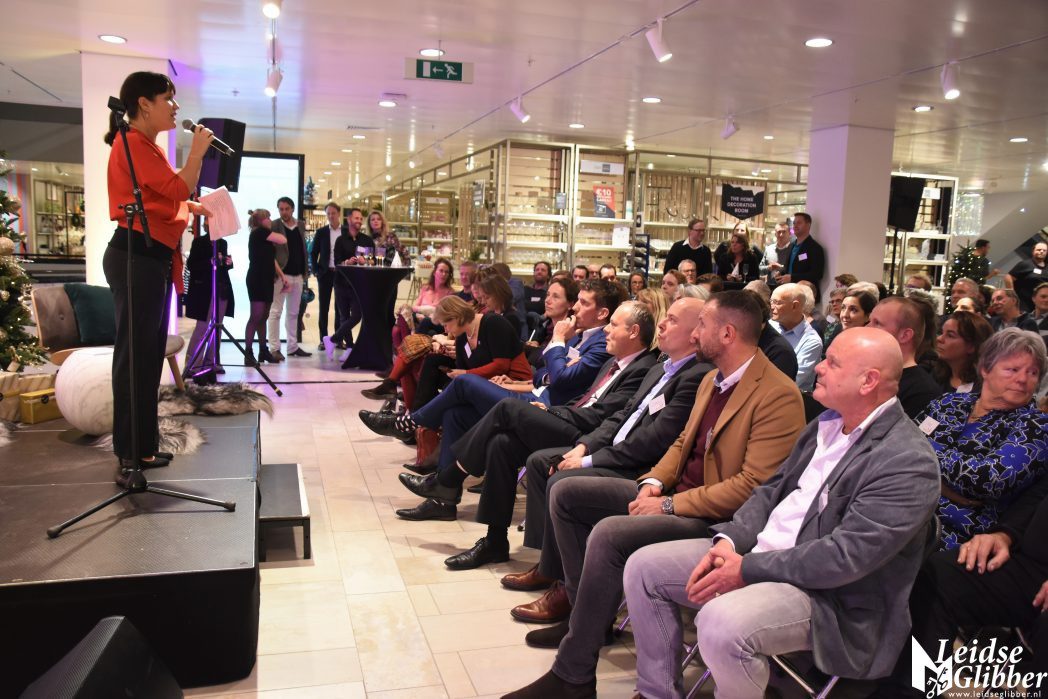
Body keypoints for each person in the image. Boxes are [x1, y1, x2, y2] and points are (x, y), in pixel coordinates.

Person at [502, 292, 806, 699]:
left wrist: (666, 504)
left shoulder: (777, 393)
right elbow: (681, 444)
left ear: (728, 334)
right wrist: (654, 482)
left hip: (716, 518)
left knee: (610, 533)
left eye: (702, 325)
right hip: (677, 495)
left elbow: (751, 486)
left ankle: (573, 672)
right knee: (568, 492)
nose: (695, 334)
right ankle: (583, 615)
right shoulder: (713, 378)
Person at [621, 327, 941, 699]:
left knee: (722, 623)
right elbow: (770, 491)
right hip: (757, 557)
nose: (818, 367)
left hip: (830, 598)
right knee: (644, 568)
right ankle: (657, 692)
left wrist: (746, 569)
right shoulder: (827, 422)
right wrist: (730, 541)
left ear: (868, 381)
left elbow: (845, 558)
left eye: (832, 363)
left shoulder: (907, 460)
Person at [469, 299, 709, 575]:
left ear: (695, 332)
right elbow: (619, 417)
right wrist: (585, 446)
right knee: (504, 444)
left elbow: (651, 439)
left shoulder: (686, 374)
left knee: (506, 410)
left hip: (635, 464)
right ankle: (509, 547)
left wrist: (587, 456)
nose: (662, 324)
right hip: (595, 437)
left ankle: (455, 474)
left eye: (672, 320)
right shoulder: (658, 369)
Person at [418, 302, 660, 560]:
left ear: (634, 331)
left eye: (613, 325)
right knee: (501, 443)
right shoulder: (614, 362)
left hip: (587, 437)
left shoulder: (642, 368)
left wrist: (552, 412)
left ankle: (448, 478)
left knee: (506, 407)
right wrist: (552, 409)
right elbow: (581, 398)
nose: (607, 330)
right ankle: (495, 542)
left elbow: (599, 416)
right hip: (571, 418)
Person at [103, 70, 214, 472]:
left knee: (147, 357)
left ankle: (143, 445)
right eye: (168, 98)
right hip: (136, 256)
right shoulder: (133, 142)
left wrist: (189, 206)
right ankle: (130, 450)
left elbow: (165, 197)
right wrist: (197, 153)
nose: (175, 106)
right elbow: (176, 189)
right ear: (144, 104)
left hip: (150, 257)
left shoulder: (145, 146)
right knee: (135, 358)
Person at [874, 474, 1048, 697]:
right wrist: (1005, 534)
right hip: (1033, 567)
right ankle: (908, 692)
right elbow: (1040, 493)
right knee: (940, 575)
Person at [917, 328, 1048, 550]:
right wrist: (942, 486)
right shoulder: (948, 403)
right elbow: (897, 445)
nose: (1022, 379)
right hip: (901, 504)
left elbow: (986, 479)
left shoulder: (1035, 426)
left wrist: (919, 454)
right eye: (1013, 369)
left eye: (1033, 373)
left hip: (955, 536)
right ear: (986, 369)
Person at [868, 297, 943, 418]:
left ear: (905, 335)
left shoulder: (922, 391)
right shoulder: (869, 373)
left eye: (877, 323)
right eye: (869, 321)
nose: (867, 328)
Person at [323, 208, 373, 363]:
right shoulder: (340, 240)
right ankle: (350, 348)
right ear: (349, 219)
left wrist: (366, 261)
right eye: (356, 218)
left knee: (357, 315)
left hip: (358, 285)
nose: (359, 221)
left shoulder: (366, 240)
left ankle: (332, 339)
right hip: (341, 283)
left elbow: (373, 260)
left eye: (361, 219)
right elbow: (337, 262)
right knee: (344, 317)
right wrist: (347, 262)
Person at [184, 225, 234, 374]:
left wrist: (228, 263)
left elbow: (222, 267)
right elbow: (191, 265)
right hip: (204, 290)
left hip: (221, 288)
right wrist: (210, 261)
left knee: (217, 326)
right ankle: (193, 363)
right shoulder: (199, 242)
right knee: (202, 326)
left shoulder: (222, 243)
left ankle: (212, 361)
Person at [267, 196, 310, 360]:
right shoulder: (275, 225)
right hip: (281, 275)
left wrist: (305, 273)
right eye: (281, 209)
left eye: (286, 209)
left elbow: (302, 249)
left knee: (293, 313)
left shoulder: (300, 225)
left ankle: (292, 347)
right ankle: (274, 348)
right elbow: (271, 252)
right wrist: (277, 273)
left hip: (298, 274)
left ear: (292, 209)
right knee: (276, 311)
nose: (284, 212)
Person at [245, 209, 286, 364]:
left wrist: (281, 275)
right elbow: (282, 239)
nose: (270, 220)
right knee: (256, 316)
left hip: (266, 279)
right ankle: (248, 353)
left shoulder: (264, 236)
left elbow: (271, 259)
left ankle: (263, 351)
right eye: (268, 217)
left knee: (263, 317)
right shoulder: (259, 232)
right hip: (257, 279)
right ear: (260, 221)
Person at [769, 283, 822, 391]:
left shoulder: (811, 341)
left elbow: (790, 381)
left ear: (795, 306)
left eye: (777, 302)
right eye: (771, 302)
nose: (772, 307)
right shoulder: (770, 325)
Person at [309, 202, 344, 349]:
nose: (331, 216)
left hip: (341, 275)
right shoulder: (321, 232)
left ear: (338, 213)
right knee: (324, 308)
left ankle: (338, 339)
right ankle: (323, 340)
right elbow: (313, 252)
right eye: (328, 213)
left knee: (340, 308)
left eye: (333, 213)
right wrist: (316, 270)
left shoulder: (345, 232)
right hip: (325, 274)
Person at [932, 310, 994, 394]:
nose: (939, 339)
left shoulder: (985, 387)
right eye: (941, 333)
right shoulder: (935, 375)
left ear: (972, 346)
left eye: (950, 335)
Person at [778, 212, 825, 300]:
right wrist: (781, 274)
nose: (795, 226)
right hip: (788, 293)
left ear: (808, 225)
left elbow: (817, 274)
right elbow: (790, 267)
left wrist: (792, 277)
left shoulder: (815, 248)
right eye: (794, 223)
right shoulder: (791, 245)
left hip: (805, 296)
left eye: (799, 223)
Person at [1006, 240, 1047, 312]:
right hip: (1021, 303)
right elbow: (1008, 277)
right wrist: (1012, 294)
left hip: (1037, 305)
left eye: (1044, 250)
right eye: (1039, 249)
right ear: (1033, 251)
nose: (1041, 251)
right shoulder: (1025, 264)